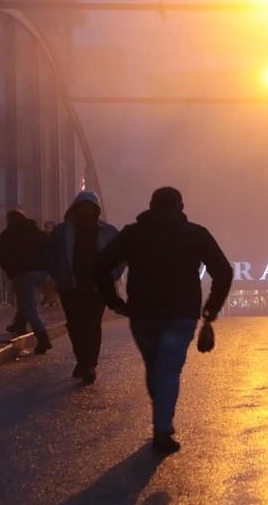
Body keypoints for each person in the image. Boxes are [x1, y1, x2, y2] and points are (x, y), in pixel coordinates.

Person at [94, 186, 232, 454]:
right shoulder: (196, 234)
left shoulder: (133, 234)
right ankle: (162, 428)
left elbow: (100, 266)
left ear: (151, 205)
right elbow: (223, 271)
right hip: (182, 313)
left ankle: (162, 419)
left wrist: (114, 301)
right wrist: (210, 309)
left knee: (154, 366)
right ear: (181, 207)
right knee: (169, 370)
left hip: (143, 314)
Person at [46, 191, 119, 384]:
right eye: (82, 207)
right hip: (70, 286)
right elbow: (49, 255)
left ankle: (89, 365)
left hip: (97, 288)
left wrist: (112, 275)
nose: (86, 211)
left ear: (96, 210)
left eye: (90, 208)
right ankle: (82, 361)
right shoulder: (61, 232)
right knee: (75, 325)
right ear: (76, 208)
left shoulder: (109, 232)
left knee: (92, 324)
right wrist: (58, 274)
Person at [0, 210, 52, 354]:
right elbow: (49, 249)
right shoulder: (36, 231)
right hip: (40, 273)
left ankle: (43, 338)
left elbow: (2, 255)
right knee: (25, 299)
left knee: (30, 307)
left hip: (22, 274)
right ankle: (20, 323)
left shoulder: (8, 235)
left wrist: (11, 271)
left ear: (11, 219)